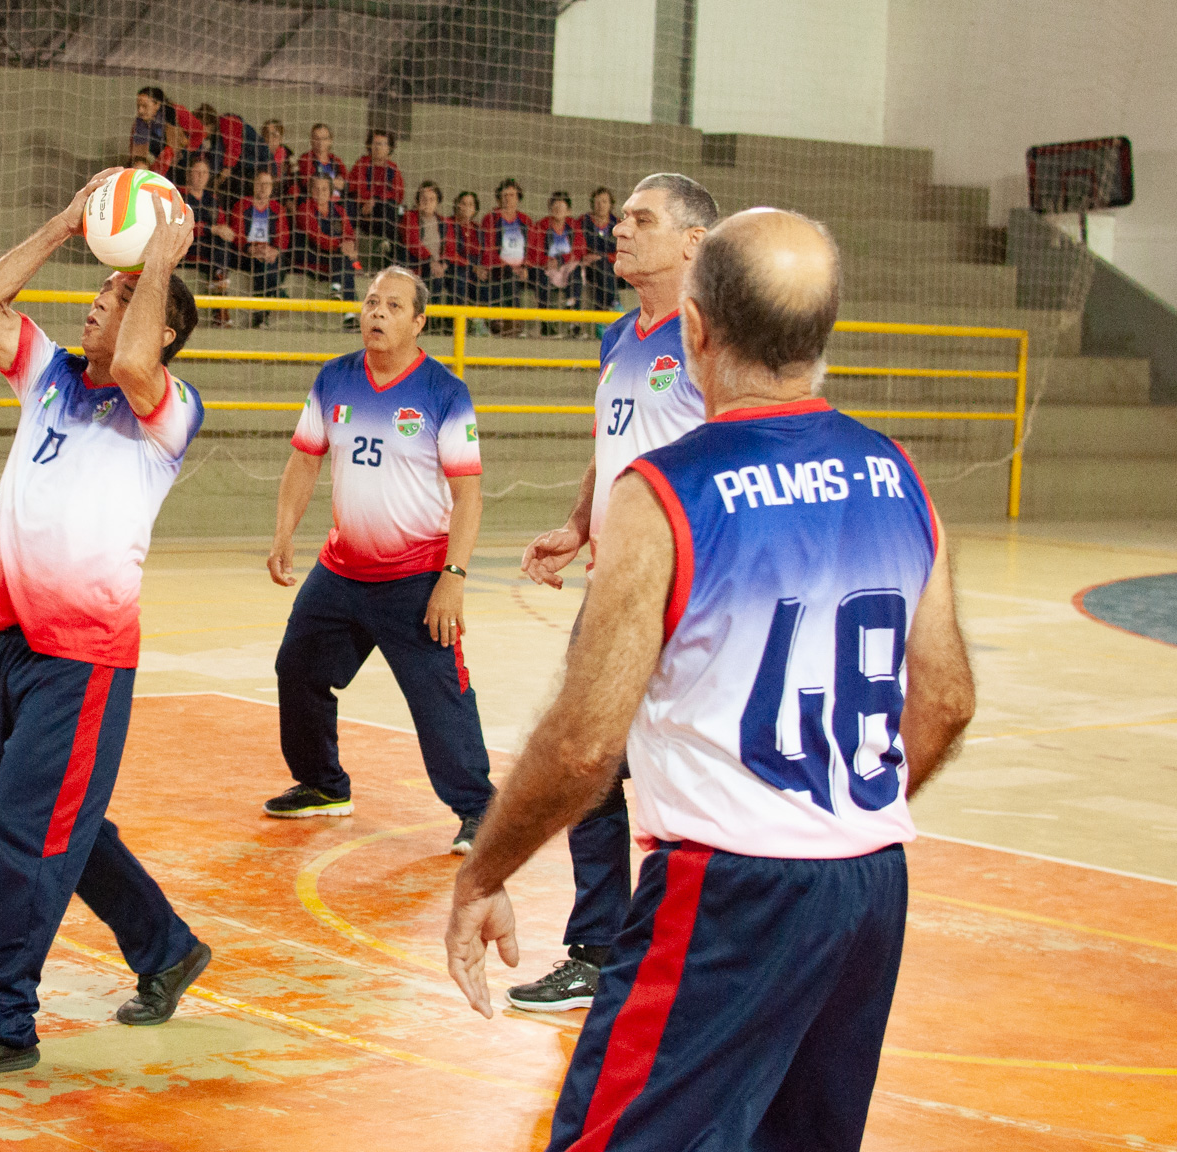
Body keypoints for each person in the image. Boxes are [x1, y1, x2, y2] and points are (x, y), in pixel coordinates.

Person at [446, 206, 975, 1152]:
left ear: (694, 327)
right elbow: (943, 700)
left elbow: (579, 748)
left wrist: (484, 871)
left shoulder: (664, 490)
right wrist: (834, 818)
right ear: (820, 334)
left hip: (729, 892)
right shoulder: (899, 474)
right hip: (869, 889)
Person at [0, 170, 213, 1080]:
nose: (97, 302)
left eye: (119, 297)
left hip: (83, 659)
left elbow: (130, 363)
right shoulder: (47, 375)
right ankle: (164, 948)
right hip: (14, 645)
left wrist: (154, 256)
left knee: (24, 833)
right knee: (54, 824)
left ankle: (2, 1020)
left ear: (160, 328)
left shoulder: (167, 408)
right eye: (98, 288)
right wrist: (64, 224)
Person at [506, 173, 719, 1014]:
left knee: (686, 773)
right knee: (583, 768)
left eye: (641, 219)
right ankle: (598, 949)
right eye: (622, 218)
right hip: (611, 589)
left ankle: (691, 952)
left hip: (687, 598)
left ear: (694, 242)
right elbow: (615, 442)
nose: (619, 230)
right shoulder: (616, 337)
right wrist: (580, 524)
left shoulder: (715, 338)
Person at [263, 266, 492, 854]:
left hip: (416, 577)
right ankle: (322, 784)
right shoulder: (334, 378)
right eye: (370, 303)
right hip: (341, 570)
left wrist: (454, 578)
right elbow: (305, 460)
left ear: (418, 322)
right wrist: (283, 533)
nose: (377, 314)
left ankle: (478, 810)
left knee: (439, 698)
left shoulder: (444, 393)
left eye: (393, 306)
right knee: (299, 669)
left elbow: (468, 493)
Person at [295, 174, 359, 328]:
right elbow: (316, 238)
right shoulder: (304, 209)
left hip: (336, 258)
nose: (320, 192)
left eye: (324, 189)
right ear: (310, 190)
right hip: (312, 256)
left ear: (330, 191)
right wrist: (341, 245)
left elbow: (349, 234)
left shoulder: (338, 210)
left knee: (347, 261)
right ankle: (347, 311)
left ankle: (338, 291)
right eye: (316, 189)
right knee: (344, 258)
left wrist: (350, 246)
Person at [231, 168, 289, 327]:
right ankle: (279, 295)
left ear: (272, 187)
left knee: (267, 265)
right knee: (262, 265)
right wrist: (250, 249)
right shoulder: (242, 205)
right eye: (260, 184)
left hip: (269, 254)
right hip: (246, 253)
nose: (263, 188)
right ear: (253, 185)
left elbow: (284, 236)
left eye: (267, 184)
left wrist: (273, 250)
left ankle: (260, 317)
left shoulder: (278, 209)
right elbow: (237, 231)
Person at [181, 156, 233, 327]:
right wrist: (211, 229)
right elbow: (181, 224)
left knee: (222, 245)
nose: (200, 176)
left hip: (211, 249)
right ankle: (221, 310)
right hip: (189, 245)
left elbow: (221, 222)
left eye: (204, 173)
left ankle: (219, 282)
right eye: (197, 172)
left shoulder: (213, 199)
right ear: (189, 174)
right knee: (217, 249)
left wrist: (226, 230)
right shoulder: (181, 196)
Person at [478, 178, 533, 334]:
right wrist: (508, 266)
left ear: (518, 198)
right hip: (499, 267)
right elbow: (488, 250)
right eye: (505, 195)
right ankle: (511, 324)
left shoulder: (525, 221)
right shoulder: (491, 219)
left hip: (521, 268)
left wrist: (525, 267)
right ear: (499, 198)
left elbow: (533, 249)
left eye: (512, 195)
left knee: (541, 276)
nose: (508, 199)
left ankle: (549, 325)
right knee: (508, 276)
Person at [531, 191, 586, 337]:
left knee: (575, 272)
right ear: (549, 208)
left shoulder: (573, 226)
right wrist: (546, 261)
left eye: (562, 207)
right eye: (555, 206)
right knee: (541, 279)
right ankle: (546, 323)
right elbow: (533, 251)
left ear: (569, 210)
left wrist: (561, 260)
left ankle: (573, 318)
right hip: (547, 267)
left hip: (568, 266)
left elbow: (580, 249)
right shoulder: (541, 226)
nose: (558, 210)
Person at [401, 180, 455, 327]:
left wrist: (443, 264)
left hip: (439, 266)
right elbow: (412, 242)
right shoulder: (410, 217)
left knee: (458, 279)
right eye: (424, 199)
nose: (427, 202)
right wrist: (431, 261)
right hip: (418, 264)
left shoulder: (443, 222)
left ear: (437, 202)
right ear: (418, 201)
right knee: (433, 278)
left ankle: (451, 323)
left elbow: (450, 247)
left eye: (431, 199)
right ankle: (428, 321)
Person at [349, 129, 405, 244]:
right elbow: (358, 187)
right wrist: (368, 201)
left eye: (383, 144)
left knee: (391, 208)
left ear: (389, 148)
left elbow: (398, 193)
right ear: (370, 145)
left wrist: (376, 199)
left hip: (383, 208)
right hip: (363, 207)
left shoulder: (393, 169)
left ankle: (388, 245)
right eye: (376, 143)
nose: (378, 147)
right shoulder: (362, 164)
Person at [580, 186, 621, 314]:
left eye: (604, 201)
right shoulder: (583, 221)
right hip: (590, 268)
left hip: (614, 267)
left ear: (610, 204)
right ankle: (614, 303)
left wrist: (604, 257)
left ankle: (601, 315)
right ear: (592, 204)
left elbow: (621, 251)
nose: (601, 205)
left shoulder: (618, 224)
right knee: (601, 268)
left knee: (603, 266)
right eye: (597, 202)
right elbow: (578, 245)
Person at [292, 122, 346, 207]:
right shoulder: (306, 159)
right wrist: (333, 182)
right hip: (315, 205)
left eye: (324, 138)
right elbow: (310, 183)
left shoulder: (336, 160)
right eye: (316, 138)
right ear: (311, 140)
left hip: (337, 204)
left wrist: (343, 183)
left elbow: (346, 182)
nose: (320, 142)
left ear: (330, 140)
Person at [448, 190, 483, 309]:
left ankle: (479, 321)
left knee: (487, 280)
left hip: (475, 265)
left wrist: (481, 268)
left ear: (475, 209)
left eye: (470, 204)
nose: (467, 207)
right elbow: (450, 252)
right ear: (457, 205)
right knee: (460, 279)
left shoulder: (477, 228)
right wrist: (472, 266)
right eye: (463, 203)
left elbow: (483, 253)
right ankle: (454, 321)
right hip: (455, 265)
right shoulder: (449, 224)